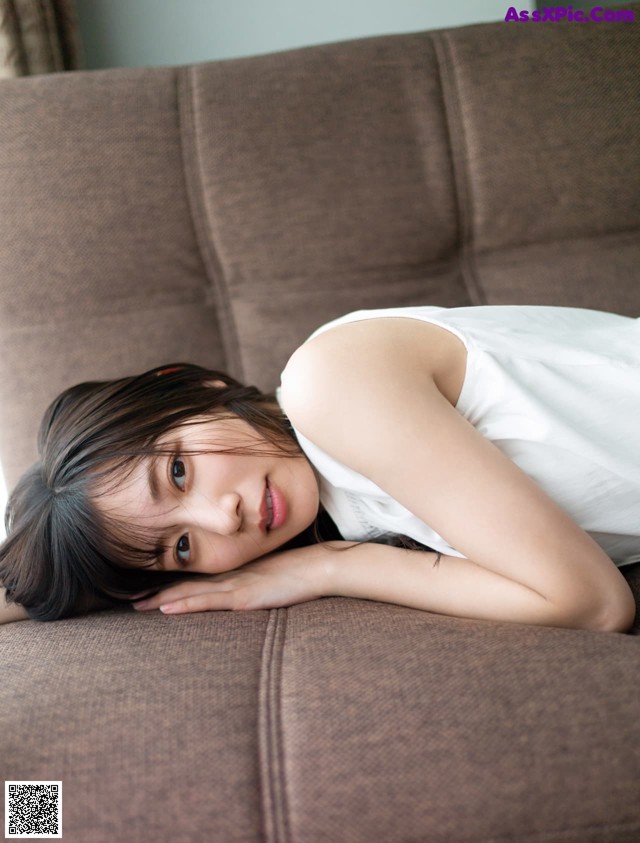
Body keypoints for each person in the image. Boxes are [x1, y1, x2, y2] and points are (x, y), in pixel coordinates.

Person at [1, 304, 638, 632]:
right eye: (183, 547)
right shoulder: (345, 503)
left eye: (175, 473)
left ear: (190, 388)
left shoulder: (330, 383)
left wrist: (335, 568)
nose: (225, 519)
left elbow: (593, 605)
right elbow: (46, 586)